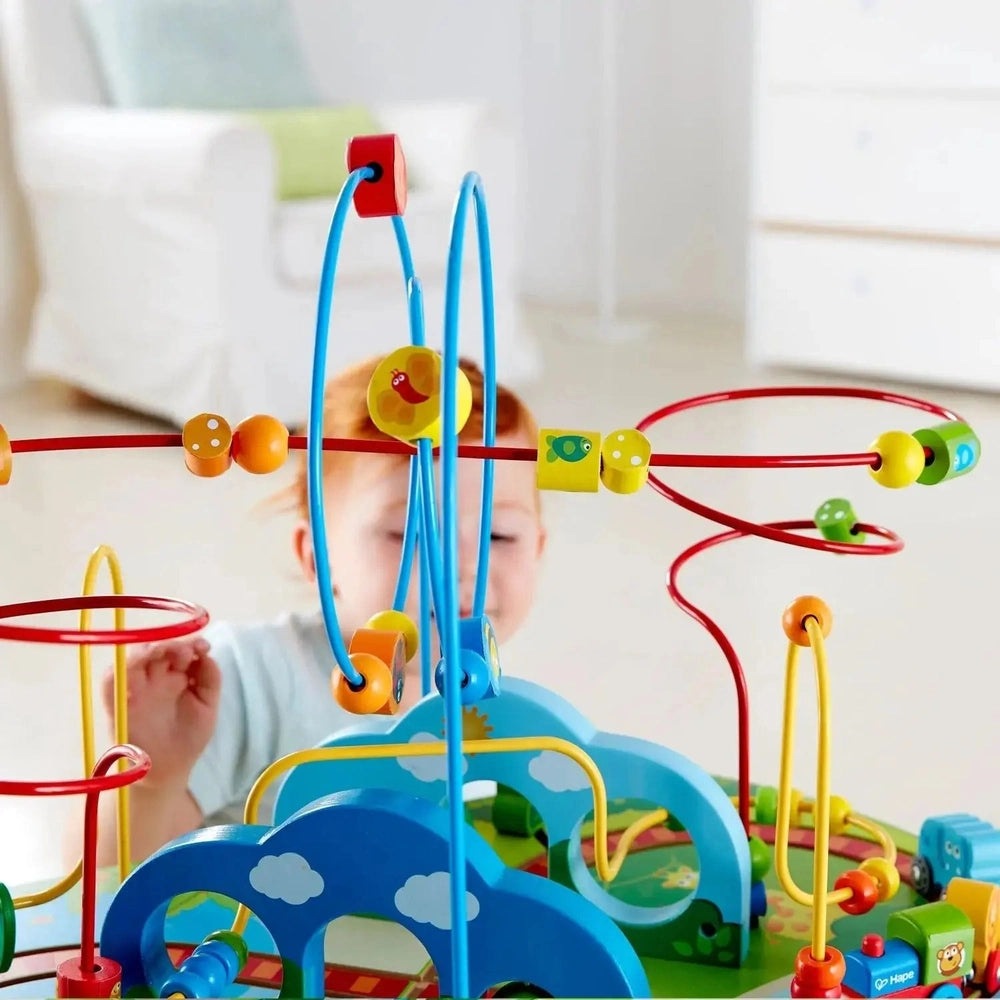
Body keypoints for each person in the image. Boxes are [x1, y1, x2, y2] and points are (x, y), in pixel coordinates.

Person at [76, 355, 547, 868]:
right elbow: (108, 878)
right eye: (409, 535)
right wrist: (155, 780)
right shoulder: (241, 680)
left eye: (499, 536)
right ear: (317, 559)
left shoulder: (491, 700)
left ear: (540, 548)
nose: (460, 570)